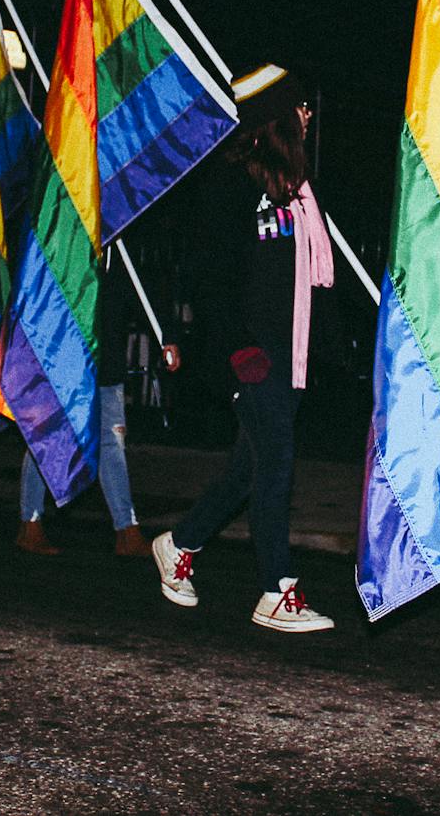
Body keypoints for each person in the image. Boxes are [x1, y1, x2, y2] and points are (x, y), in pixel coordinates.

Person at [151, 64, 336, 633]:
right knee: (277, 462)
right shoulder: (231, 186)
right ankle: (275, 590)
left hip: (291, 354)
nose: (309, 116)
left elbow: (313, 281)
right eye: (300, 107)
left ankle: (179, 542)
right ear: (278, 116)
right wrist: (237, 351)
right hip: (249, 358)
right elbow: (208, 278)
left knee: (248, 469)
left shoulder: (298, 190)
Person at [15, 255, 181, 558]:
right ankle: (31, 523)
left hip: (106, 367)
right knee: (46, 437)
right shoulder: (64, 240)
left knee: (111, 445)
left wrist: (166, 337)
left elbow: (142, 294)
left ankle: (126, 530)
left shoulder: (119, 254)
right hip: (62, 364)